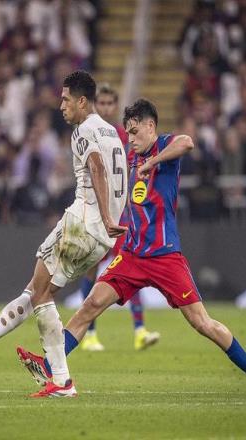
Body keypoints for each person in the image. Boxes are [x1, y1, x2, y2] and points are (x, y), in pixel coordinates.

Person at [17, 99, 246, 396]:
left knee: (202, 323)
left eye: (134, 132)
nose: (131, 139)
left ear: (150, 126)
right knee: (90, 306)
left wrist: (152, 163)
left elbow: (187, 142)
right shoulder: (130, 156)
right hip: (131, 255)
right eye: (128, 133)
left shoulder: (165, 147)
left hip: (165, 256)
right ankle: (50, 366)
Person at [0, 70, 128, 398]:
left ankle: (62, 381)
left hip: (82, 223)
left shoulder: (83, 130)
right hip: (101, 239)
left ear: (82, 101)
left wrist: (107, 215)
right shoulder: (112, 132)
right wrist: (111, 218)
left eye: (66, 100)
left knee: (40, 295)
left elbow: (95, 166)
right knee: (37, 290)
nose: (61, 106)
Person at [79, 84, 160, 352]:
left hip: (122, 216)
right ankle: (89, 334)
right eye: (100, 103)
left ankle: (139, 330)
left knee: (130, 265)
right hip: (95, 213)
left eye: (109, 103)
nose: (104, 108)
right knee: (91, 267)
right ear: (95, 105)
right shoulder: (88, 133)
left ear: (114, 106)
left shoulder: (125, 136)